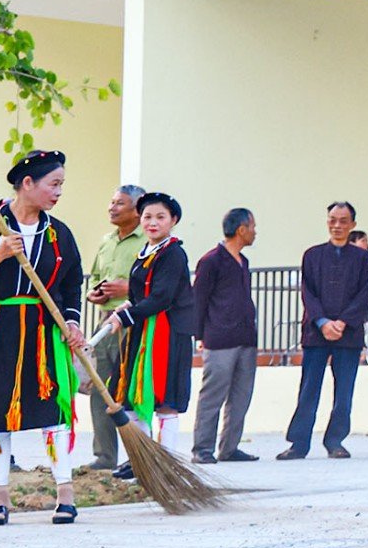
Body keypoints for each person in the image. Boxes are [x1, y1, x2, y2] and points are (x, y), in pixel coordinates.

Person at [0, 150, 90, 526]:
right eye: (53, 184)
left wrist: (71, 322)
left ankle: (65, 492)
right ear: (28, 184)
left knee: (55, 410)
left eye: (61, 185)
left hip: (43, 331)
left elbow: (72, 282)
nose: (58, 192)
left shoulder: (57, 232)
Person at [282, 201, 368, 460]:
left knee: (344, 392)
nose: (337, 226)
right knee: (309, 389)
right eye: (333, 220)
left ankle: (336, 441)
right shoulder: (312, 255)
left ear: (352, 224)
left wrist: (343, 322)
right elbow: (307, 293)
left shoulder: (362, 258)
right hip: (316, 334)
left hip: (349, 334)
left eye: (343, 221)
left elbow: (363, 294)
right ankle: (298, 444)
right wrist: (322, 321)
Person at [113, 193, 197, 460]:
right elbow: (141, 294)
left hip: (167, 334)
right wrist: (128, 305)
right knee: (130, 397)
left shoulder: (173, 253)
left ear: (173, 220)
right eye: (147, 217)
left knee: (165, 399)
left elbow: (162, 297)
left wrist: (128, 316)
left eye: (160, 217)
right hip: (142, 330)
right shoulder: (145, 253)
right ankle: (142, 459)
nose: (152, 223)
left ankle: (167, 462)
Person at [80, 184, 147, 473]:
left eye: (119, 203)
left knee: (132, 390)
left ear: (137, 208)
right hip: (105, 323)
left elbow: (157, 284)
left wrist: (127, 288)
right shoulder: (107, 241)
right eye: (112, 202)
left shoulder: (148, 240)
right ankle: (104, 455)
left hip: (133, 322)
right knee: (100, 388)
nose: (112, 208)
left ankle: (139, 455)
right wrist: (94, 294)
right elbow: (95, 277)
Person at [189, 207, 261, 463]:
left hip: (245, 338)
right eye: (252, 227)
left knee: (241, 396)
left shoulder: (243, 262)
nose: (255, 232)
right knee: (213, 396)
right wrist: (199, 336)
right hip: (219, 340)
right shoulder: (211, 261)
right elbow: (199, 299)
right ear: (241, 230)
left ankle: (229, 448)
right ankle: (202, 449)